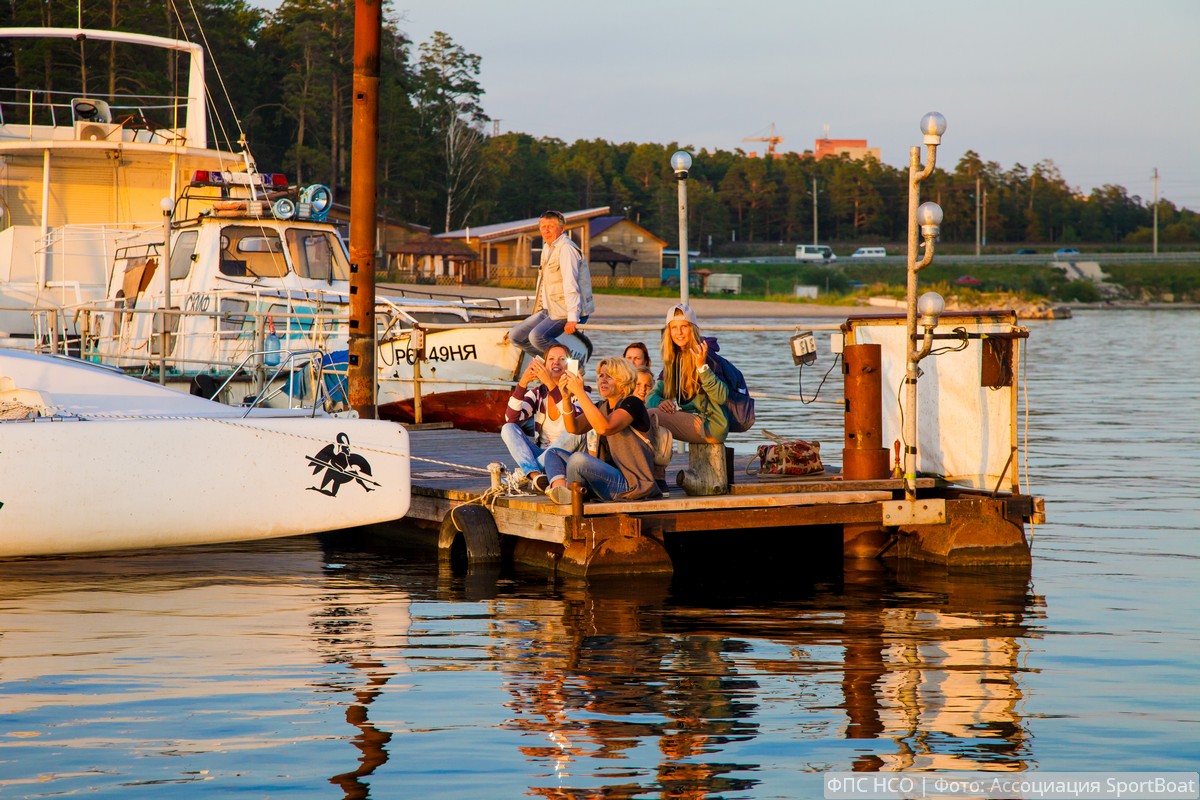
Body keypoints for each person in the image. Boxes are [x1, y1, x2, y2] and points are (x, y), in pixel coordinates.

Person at [541, 357, 657, 504]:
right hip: (605, 479)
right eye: (601, 376)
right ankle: (561, 491)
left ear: (623, 381)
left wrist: (580, 392)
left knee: (578, 459)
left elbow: (605, 427)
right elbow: (573, 428)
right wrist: (566, 398)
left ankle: (571, 495)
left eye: (609, 377)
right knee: (553, 453)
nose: (602, 380)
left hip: (631, 485)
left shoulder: (633, 403)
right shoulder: (602, 406)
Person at [510, 210, 594, 359]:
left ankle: (572, 365)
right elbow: (544, 284)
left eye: (551, 226)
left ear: (562, 229)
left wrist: (572, 318)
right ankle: (552, 363)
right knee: (516, 336)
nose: (546, 230)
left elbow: (571, 284)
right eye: (543, 226)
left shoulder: (566, 249)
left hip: (566, 309)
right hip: (549, 309)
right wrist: (538, 310)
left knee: (537, 337)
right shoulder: (548, 248)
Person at [499, 342, 583, 490]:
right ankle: (536, 475)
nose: (556, 362)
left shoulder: (581, 392)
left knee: (573, 431)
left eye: (562, 359)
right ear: (544, 364)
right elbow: (511, 418)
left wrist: (550, 383)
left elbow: (576, 420)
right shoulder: (537, 394)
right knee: (508, 428)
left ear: (569, 365)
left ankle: (527, 472)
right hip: (541, 452)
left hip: (563, 456)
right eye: (551, 359)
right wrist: (523, 382)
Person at [646, 303, 729, 444]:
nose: (679, 332)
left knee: (648, 416)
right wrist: (661, 403)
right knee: (644, 412)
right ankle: (653, 465)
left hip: (712, 424)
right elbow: (650, 397)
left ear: (692, 329)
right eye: (674, 328)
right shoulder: (674, 360)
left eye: (684, 326)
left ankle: (647, 465)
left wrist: (702, 367)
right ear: (669, 331)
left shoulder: (705, 354)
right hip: (693, 419)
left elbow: (722, 397)